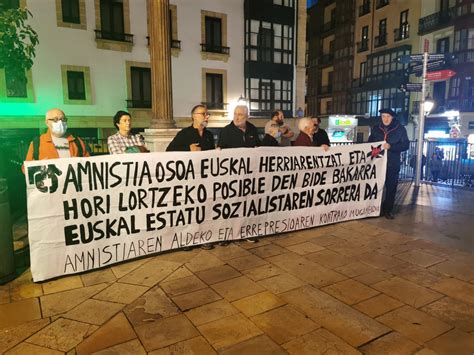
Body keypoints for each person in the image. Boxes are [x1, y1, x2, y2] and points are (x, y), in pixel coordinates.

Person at [166, 104, 215, 250]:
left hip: (205, 179)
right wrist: (188, 149)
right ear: (194, 116)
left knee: (204, 209)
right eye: (203, 114)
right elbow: (169, 151)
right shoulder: (184, 133)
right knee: (189, 210)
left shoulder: (209, 135)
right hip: (188, 179)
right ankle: (187, 239)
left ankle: (204, 237)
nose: (206, 116)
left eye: (208, 114)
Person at [218, 105, 259, 243]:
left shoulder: (252, 129)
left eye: (240, 114)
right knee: (231, 204)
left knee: (247, 204)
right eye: (235, 114)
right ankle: (228, 233)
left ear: (247, 116)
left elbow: (258, 148)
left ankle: (246, 230)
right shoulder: (226, 131)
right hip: (232, 176)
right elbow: (220, 151)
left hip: (249, 175)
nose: (237, 117)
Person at [368, 108, 409, 219]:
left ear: (392, 117)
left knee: (391, 188)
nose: (385, 119)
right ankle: (376, 209)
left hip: (392, 164)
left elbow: (406, 145)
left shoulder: (400, 129)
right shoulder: (376, 128)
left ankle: (388, 210)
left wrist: (391, 147)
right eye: (383, 116)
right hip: (378, 163)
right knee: (376, 187)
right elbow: (369, 143)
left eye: (388, 116)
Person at [24, 108, 90, 164]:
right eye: (55, 119)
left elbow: (89, 163)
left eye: (63, 119)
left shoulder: (77, 141)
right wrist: (38, 165)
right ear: (47, 122)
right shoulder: (37, 142)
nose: (60, 122)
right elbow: (26, 168)